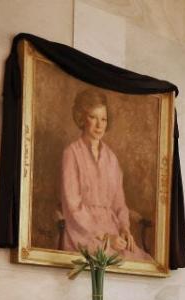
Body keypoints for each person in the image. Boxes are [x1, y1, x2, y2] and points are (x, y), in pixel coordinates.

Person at [60, 89, 152, 261]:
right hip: (82, 232)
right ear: (82, 118)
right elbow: (72, 207)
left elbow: (119, 204)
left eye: (103, 119)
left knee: (144, 262)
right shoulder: (71, 153)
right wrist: (105, 237)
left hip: (113, 230)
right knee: (108, 262)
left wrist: (124, 229)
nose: (99, 125)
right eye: (93, 117)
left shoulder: (112, 159)